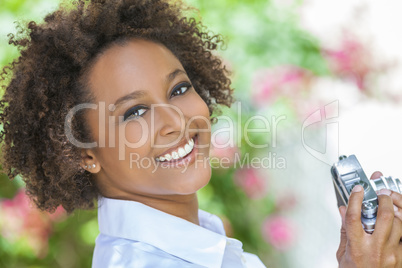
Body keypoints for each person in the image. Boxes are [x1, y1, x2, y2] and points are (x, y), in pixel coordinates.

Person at [0, 0, 401, 267]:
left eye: (178, 89)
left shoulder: (198, 245)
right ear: (84, 152)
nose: (176, 121)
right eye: (135, 112)